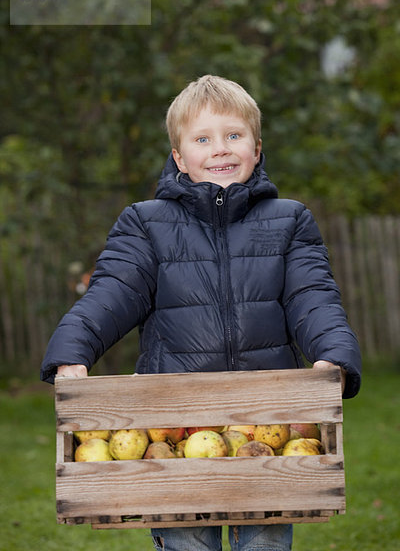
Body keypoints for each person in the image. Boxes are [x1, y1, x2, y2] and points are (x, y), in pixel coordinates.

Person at [41, 74, 362, 551]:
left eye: (234, 136)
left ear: (256, 148)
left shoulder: (289, 220)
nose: (221, 149)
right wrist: (71, 353)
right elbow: (111, 293)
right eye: (203, 138)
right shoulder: (146, 224)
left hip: (267, 423)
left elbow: (312, 296)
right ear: (179, 157)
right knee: (188, 540)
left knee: (266, 540)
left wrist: (333, 355)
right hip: (172, 425)